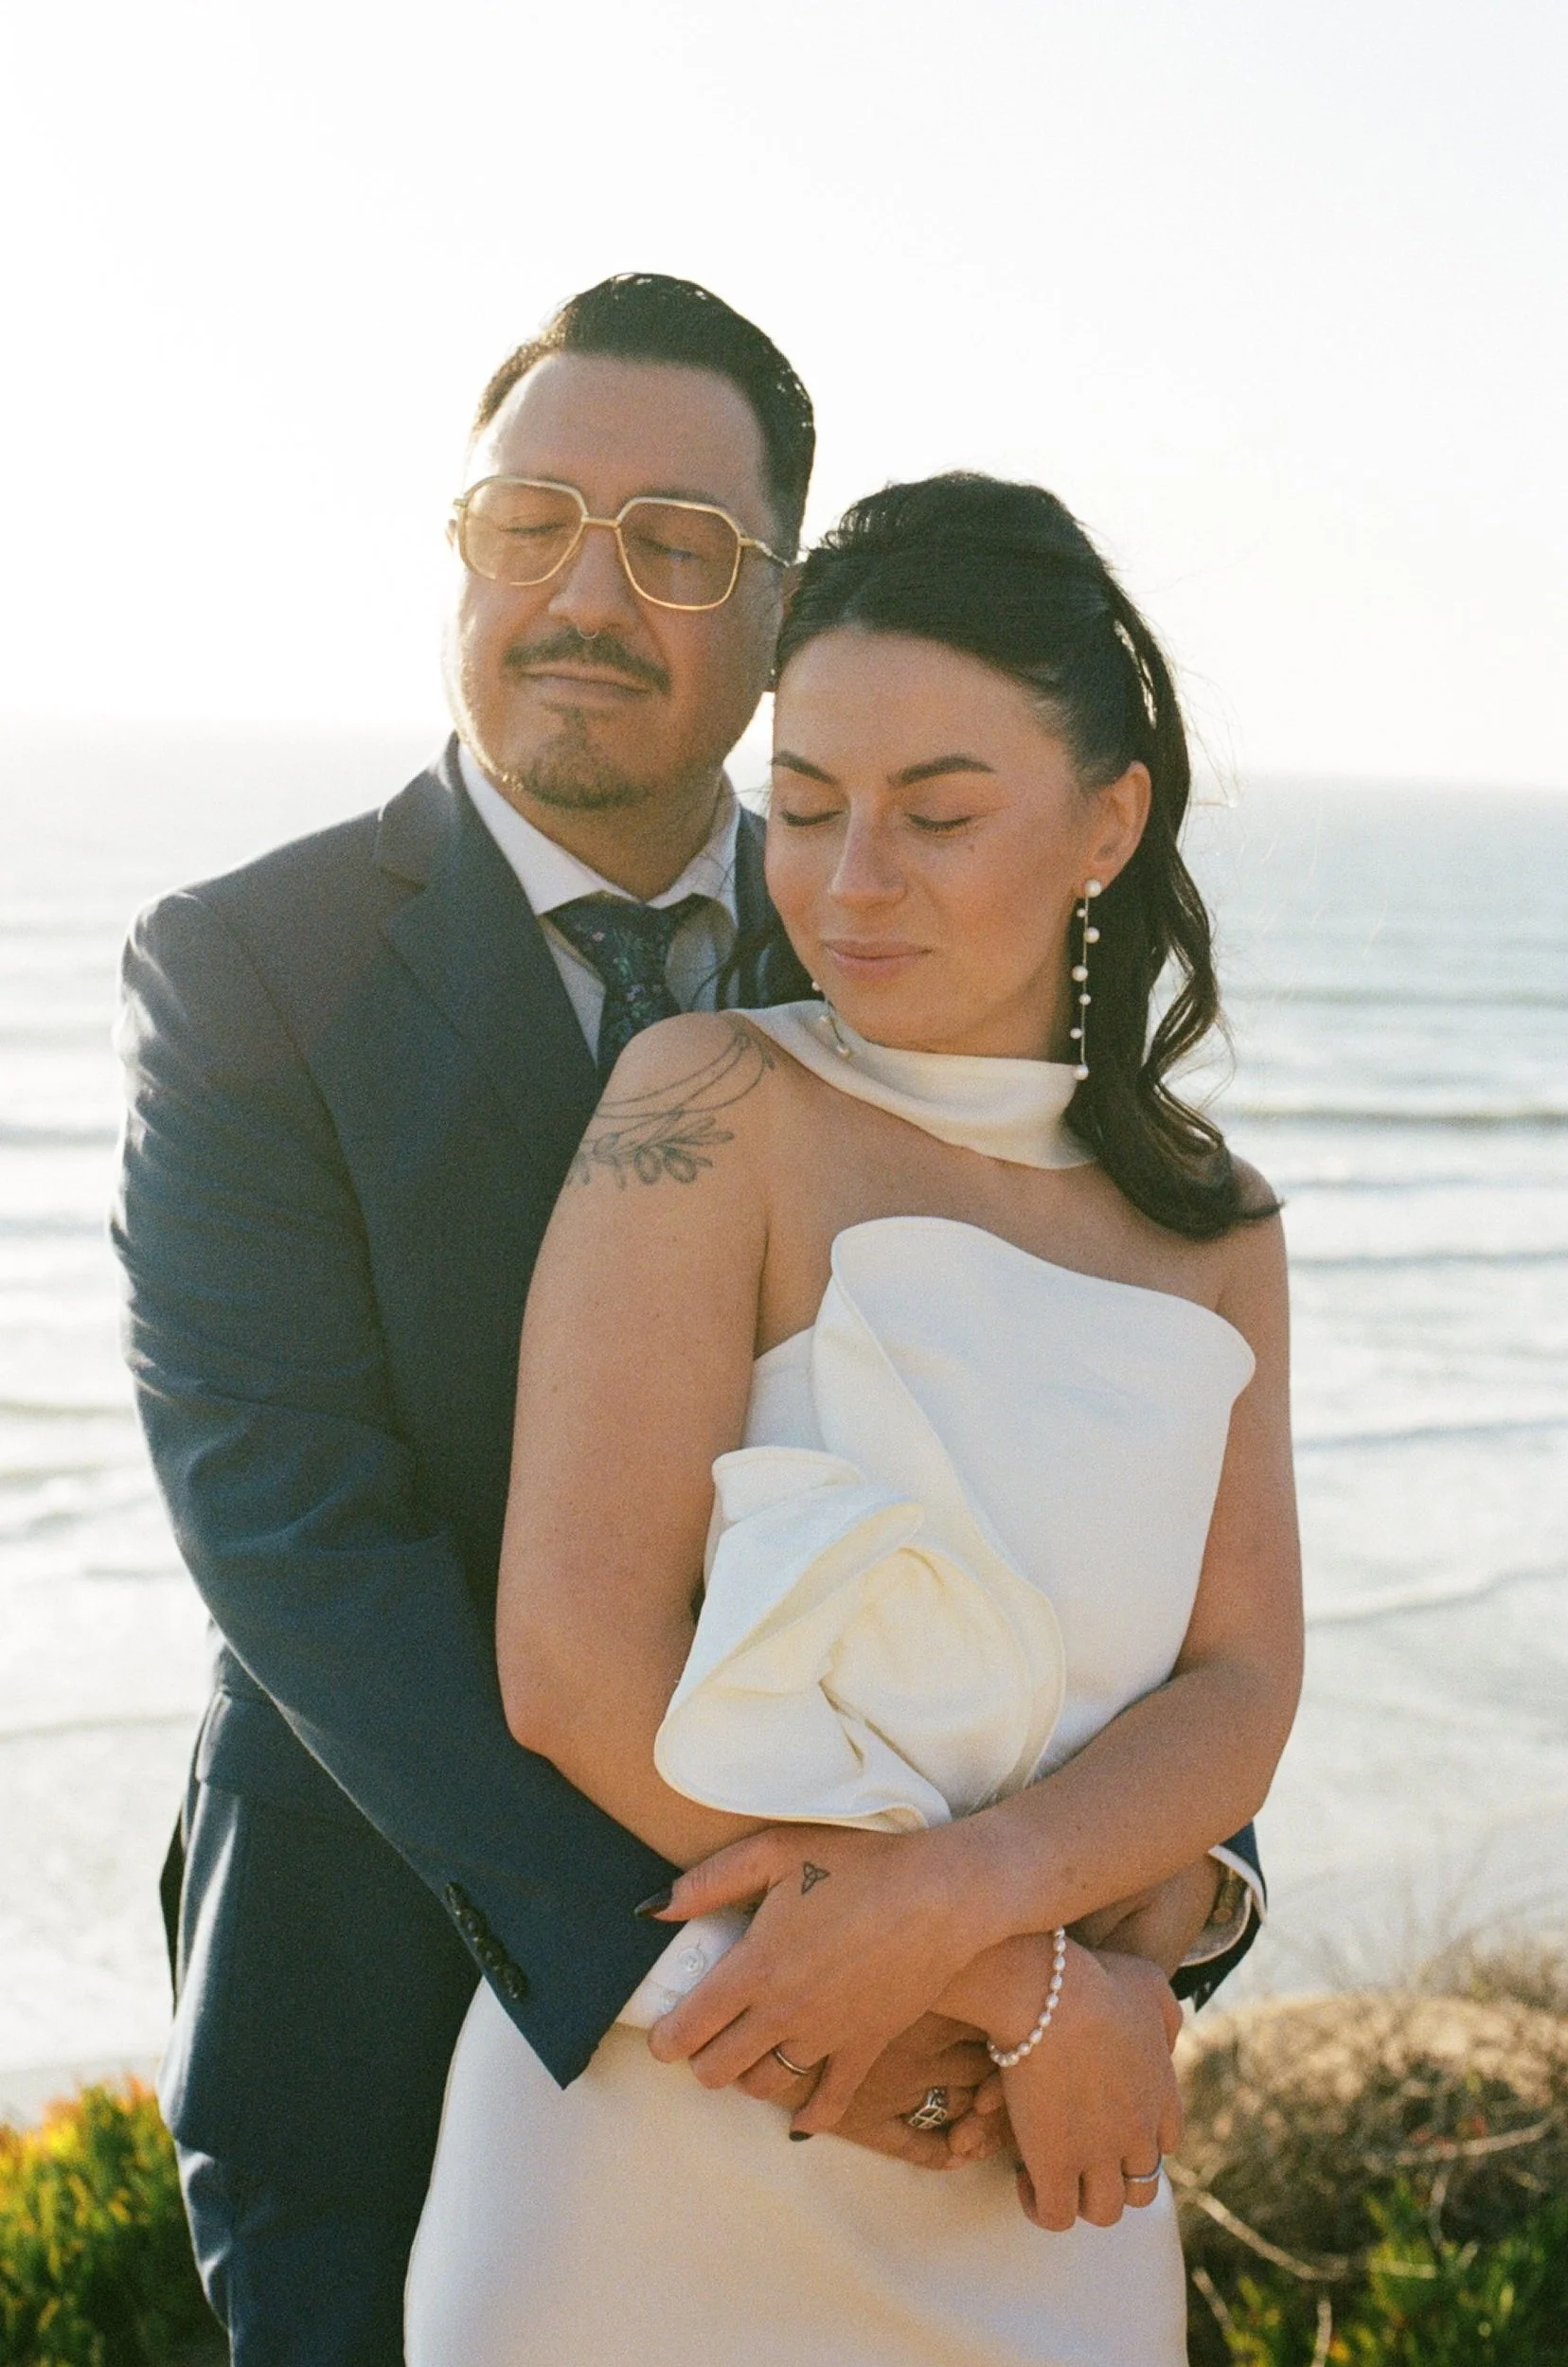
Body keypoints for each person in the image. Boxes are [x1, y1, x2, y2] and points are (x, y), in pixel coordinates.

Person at [114, 276, 1262, 2366]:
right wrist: (868, 1971)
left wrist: (1162, 1910)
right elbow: (301, 1546)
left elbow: (1102, 1486)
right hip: (398, 2014)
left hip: (974, 2095)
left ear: (785, 605)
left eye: (674, 546)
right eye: (527, 520)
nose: (582, 591)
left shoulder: (916, 940)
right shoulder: (247, 973)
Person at [404, 472, 1302, 2364]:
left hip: (1031, 2179)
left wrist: (1000, 1929)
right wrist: (1024, 1986)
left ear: (1109, 819)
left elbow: (1237, 1689)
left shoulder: (1218, 1229)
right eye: (803, 806)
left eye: (940, 812)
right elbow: (573, 1658)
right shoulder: (708, 1098)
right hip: (675, 2123)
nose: (851, 879)